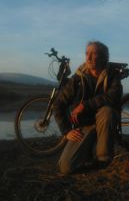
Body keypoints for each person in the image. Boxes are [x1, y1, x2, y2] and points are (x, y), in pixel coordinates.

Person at [53, 41, 123, 174]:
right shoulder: (78, 78)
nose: (88, 58)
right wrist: (66, 131)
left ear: (103, 57)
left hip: (105, 123)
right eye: (86, 53)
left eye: (94, 53)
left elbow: (113, 96)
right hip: (85, 126)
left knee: (106, 111)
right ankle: (90, 150)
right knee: (65, 168)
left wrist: (85, 105)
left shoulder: (112, 75)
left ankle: (103, 160)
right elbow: (58, 104)